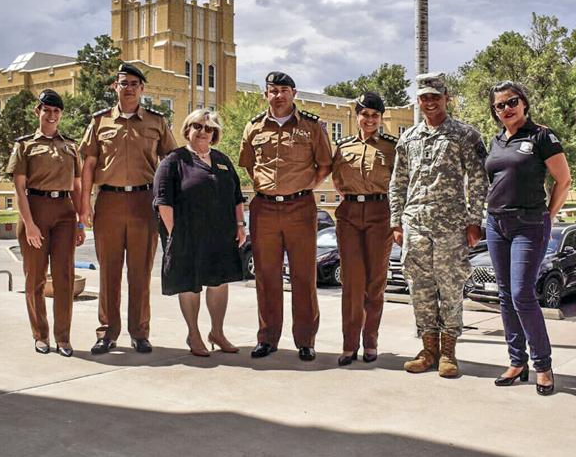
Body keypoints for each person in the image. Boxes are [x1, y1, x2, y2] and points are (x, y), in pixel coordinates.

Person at [389, 72, 488, 378]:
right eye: (424, 97)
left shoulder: (465, 135)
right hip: (415, 224)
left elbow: (478, 180)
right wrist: (396, 221)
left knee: (451, 287)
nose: (430, 102)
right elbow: (398, 182)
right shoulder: (408, 138)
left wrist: (474, 220)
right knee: (420, 288)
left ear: (447, 98)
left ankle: (448, 352)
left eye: (435, 96)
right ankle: (428, 349)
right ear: (418, 101)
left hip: (451, 226)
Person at [80, 63, 177, 355]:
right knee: (109, 272)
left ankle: (139, 332)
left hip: (143, 202)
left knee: (140, 272)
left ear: (143, 89)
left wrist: (168, 202)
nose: (130, 87)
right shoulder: (99, 122)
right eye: (124, 83)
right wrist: (85, 203)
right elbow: (88, 165)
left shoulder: (157, 122)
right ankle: (107, 333)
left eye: (135, 83)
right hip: (108, 201)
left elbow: (171, 162)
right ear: (115, 87)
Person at [484, 81, 571, 396]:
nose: (506, 109)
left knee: (522, 293)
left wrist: (549, 215)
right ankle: (516, 361)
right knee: (505, 295)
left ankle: (543, 366)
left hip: (529, 223)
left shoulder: (542, 136)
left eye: (512, 102)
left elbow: (564, 180)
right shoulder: (496, 141)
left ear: (524, 103)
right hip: (495, 224)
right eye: (499, 106)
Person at [238, 71, 333, 361]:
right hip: (264, 208)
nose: (278, 95)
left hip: (300, 208)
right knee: (267, 275)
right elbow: (247, 164)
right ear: (265, 94)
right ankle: (267, 338)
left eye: (283, 90)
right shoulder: (254, 127)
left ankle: (305, 340)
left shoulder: (311, 126)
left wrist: (306, 187)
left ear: (294, 93)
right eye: (272, 90)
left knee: (304, 274)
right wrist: (267, 187)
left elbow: (325, 164)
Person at [153, 109, 245, 356]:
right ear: (187, 129)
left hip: (221, 236)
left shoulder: (223, 160)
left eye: (209, 129)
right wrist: (175, 235)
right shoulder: (173, 161)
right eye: (198, 126)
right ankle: (193, 334)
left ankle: (217, 332)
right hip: (187, 237)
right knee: (190, 285)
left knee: (219, 283)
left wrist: (240, 225)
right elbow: (163, 202)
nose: (203, 132)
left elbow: (237, 197)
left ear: (215, 134)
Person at [7, 89, 86, 357]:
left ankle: (63, 338)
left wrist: (80, 222)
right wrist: (29, 224)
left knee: (64, 278)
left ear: (60, 114)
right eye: (47, 110)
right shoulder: (25, 145)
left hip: (64, 212)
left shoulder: (71, 146)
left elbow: (77, 187)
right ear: (37, 112)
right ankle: (41, 335)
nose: (51, 115)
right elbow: (19, 189)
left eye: (56, 111)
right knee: (36, 278)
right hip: (35, 210)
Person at [330, 91, 396, 366]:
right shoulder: (343, 146)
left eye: (375, 115)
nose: (369, 119)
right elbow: (336, 179)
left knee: (375, 283)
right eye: (365, 114)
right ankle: (349, 345)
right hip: (349, 213)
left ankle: (370, 342)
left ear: (380, 118)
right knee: (351, 282)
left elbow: (400, 181)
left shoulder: (392, 147)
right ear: (357, 117)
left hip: (381, 212)